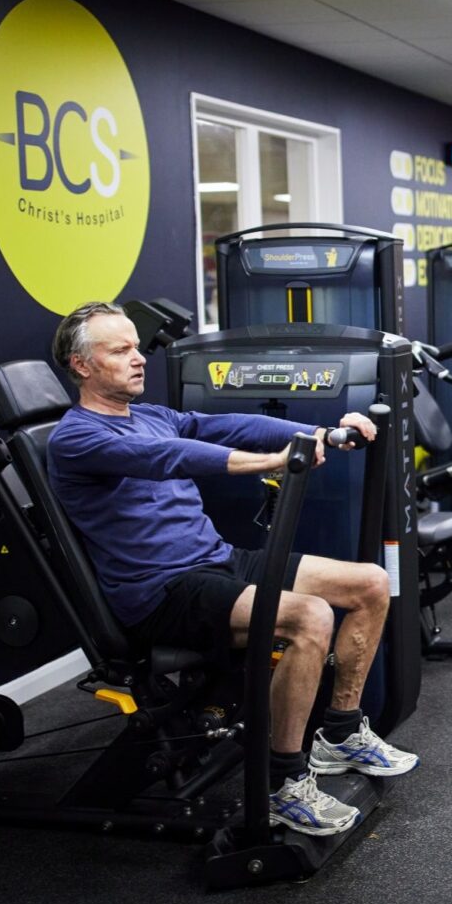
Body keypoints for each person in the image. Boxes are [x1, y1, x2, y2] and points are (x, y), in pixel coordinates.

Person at [47, 301, 418, 838]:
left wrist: (321, 431)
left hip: (216, 560)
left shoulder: (149, 415)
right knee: (310, 617)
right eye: (119, 349)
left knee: (369, 583)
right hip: (162, 591)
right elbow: (173, 456)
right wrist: (278, 461)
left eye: (136, 346)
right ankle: (284, 785)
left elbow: (224, 424)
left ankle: (339, 732)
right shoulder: (77, 437)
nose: (137, 358)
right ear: (82, 366)